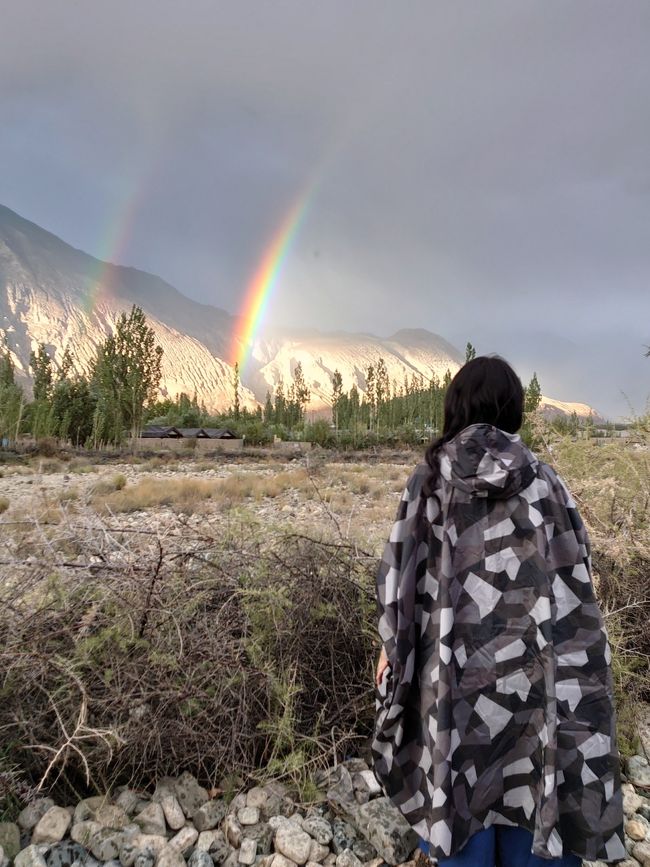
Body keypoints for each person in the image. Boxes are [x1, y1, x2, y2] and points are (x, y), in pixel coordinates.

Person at [371, 356, 625, 867]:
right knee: (532, 800)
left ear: (454, 407)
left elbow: (399, 583)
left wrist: (389, 650)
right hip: (533, 687)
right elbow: (577, 585)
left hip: (451, 685)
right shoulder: (546, 484)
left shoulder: (427, 484)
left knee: (457, 804)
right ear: (515, 410)